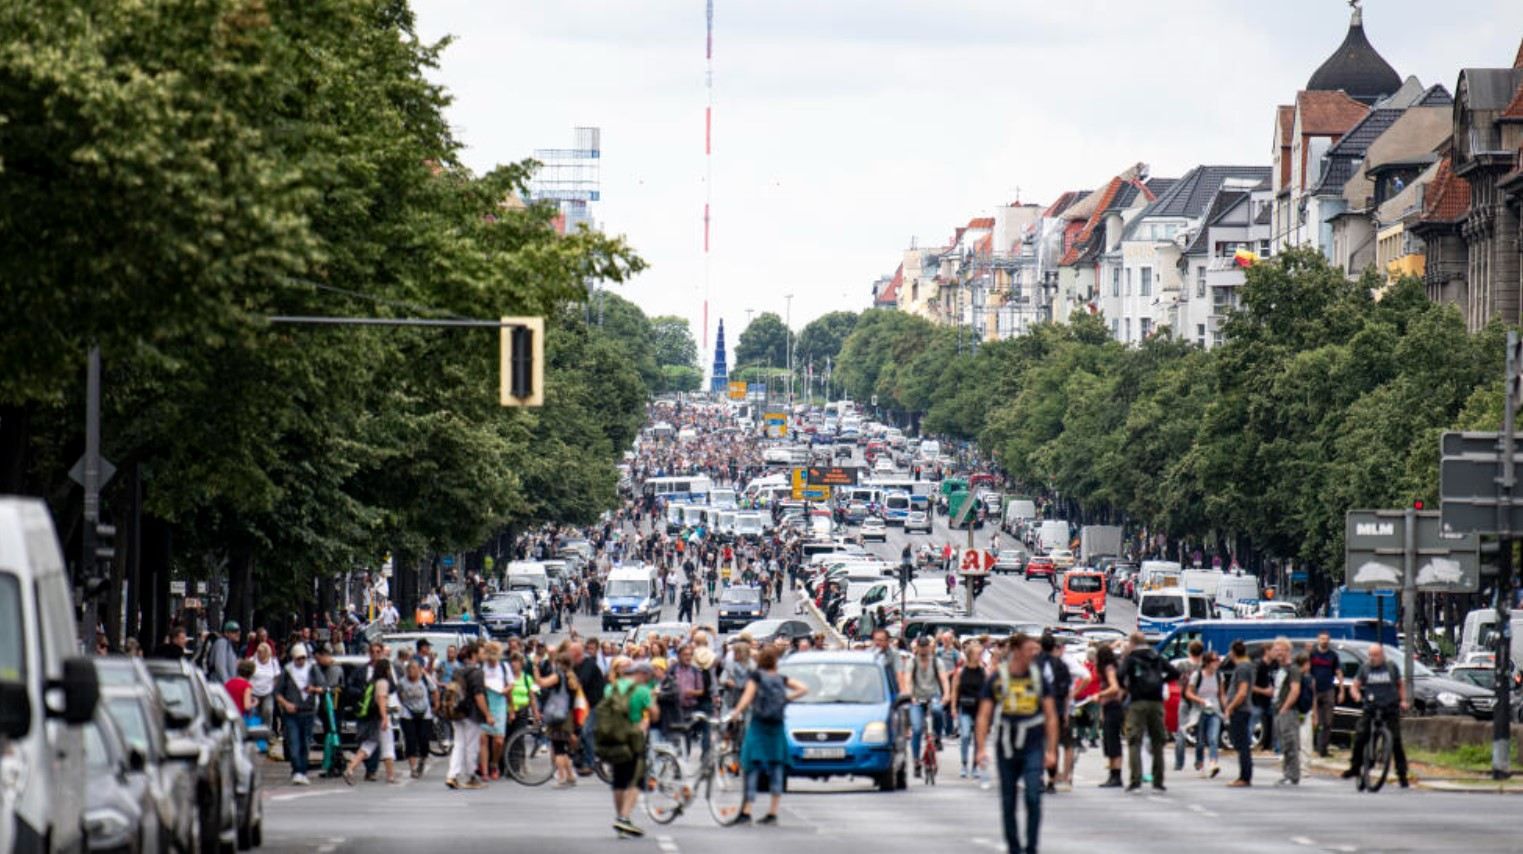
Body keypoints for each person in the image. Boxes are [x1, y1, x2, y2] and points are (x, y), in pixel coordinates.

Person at [975, 633, 1058, 854]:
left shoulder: (1039, 678)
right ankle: (1013, 846)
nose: (1035, 654)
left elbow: (1051, 715)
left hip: (1032, 744)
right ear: (1018, 650)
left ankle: (1031, 847)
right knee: (1008, 798)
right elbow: (984, 715)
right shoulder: (998, 678)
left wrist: (1051, 750)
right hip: (1006, 745)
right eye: (1031, 650)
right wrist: (981, 748)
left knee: (1033, 795)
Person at [728, 645, 808, 825]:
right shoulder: (781, 679)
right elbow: (803, 688)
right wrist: (786, 699)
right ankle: (773, 812)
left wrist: (735, 713)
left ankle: (747, 810)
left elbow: (747, 698)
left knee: (751, 766)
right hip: (776, 726)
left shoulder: (756, 677)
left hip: (758, 725)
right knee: (776, 766)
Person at [599, 659, 658, 838]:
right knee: (636, 779)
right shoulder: (642, 691)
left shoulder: (611, 688)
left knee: (619, 779)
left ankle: (620, 816)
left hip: (613, 736)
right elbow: (654, 714)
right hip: (633, 737)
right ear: (643, 674)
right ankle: (624, 817)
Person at [1340, 643, 1409, 789]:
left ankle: (1402, 774)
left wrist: (1403, 700)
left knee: (1396, 740)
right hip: (1371, 707)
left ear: (1382, 655)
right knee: (1360, 735)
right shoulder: (1365, 668)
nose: (1373, 658)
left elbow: (1400, 685)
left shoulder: (1391, 667)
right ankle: (1355, 766)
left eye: (1376, 655)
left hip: (1390, 707)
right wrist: (1356, 694)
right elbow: (1355, 685)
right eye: (1371, 655)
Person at [1118, 631, 1177, 792]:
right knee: (1157, 741)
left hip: (1137, 701)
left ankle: (1135, 779)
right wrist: (1160, 682)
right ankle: (1158, 780)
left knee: (1134, 740)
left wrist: (1127, 688)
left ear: (1132, 643)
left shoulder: (1131, 658)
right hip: (1156, 701)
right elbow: (1174, 672)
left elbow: (1120, 675)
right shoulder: (1156, 656)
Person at [274, 642, 327, 786]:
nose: (301, 661)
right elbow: (277, 693)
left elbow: (324, 687)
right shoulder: (287, 671)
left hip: (308, 712)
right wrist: (286, 704)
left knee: (305, 743)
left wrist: (314, 689)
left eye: (303, 658)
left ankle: (301, 771)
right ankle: (297, 769)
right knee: (294, 741)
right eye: (298, 658)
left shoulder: (312, 669)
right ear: (293, 658)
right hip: (292, 713)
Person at [446, 641, 493, 790]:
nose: (484, 655)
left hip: (457, 712)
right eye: (482, 652)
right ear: (475, 654)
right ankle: (470, 776)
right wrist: (488, 714)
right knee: (471, 746)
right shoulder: (477, 673)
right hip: (472, 714)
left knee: (459, 744)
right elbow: (479, 696)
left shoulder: (458, 670)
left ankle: (452, 775)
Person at [344, 658, 397, 785]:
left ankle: (350, 768)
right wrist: (385, 718)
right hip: (380, 718)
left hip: (372, 718)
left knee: (369, 744)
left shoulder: (373, 681)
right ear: (386, 670)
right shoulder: (383, 682)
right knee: (388, 746)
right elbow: (381, 700)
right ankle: (391, 776)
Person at [1035, 632, 1074, 794]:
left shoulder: (1034, 664)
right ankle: (1052, 779)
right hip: (1056, 708)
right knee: (1053, 745)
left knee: (1037, 744)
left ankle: (1038, 778)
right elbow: (1066, 692)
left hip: (1036, 709)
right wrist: (1065, 713)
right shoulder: (1061, 665)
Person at [908, 635, 950, 778]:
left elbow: (944, 679)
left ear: (930, 647)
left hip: (933, 697)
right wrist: (911, 697)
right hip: (917, 699)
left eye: (926, 646)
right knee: (917, 729)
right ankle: (916, 761)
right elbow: (908, 681)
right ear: (918, 647)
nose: (924, 649)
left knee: (938, 710)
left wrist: (946, 695)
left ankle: (937, 737)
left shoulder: (936, 662)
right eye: (922, 646)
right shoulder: (912, 662)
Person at [949, 639, 987, 780]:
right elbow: (954, 690)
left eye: (980, 654)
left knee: (978, 738)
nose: (979, 657)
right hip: (965, 706)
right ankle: (964, 764)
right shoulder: (961, 671)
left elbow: (989, 690)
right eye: (977, 654)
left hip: (979, 709)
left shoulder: (983, 671)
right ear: (970, 655)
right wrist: (953, 707)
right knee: (965, 735)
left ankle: (975, 766)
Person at [1183, 651, 1224, 778]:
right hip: (1199, 710)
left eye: (1218, 660)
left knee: (1213, 739)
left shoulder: (1219, 676)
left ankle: (1213, 764)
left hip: (1214, 710)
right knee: (1200, 741)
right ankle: (1199, 763)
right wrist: (1201, 700)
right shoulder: (1197, 675)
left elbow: (1221, 694)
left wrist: (1227, 708)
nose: (1217, 662)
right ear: (1207, 663)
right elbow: (1188, 693)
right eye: (1214, 660)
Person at [1223, 640, 1256, 787]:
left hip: (1240, 710)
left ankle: (1244, 776)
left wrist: (1231, 706)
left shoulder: (1242, 668)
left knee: (1241, 744)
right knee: (1242, 743)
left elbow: (1242, 692)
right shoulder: (1247, 666)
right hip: (1244, 709)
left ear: (1233, 652)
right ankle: (1245, 775)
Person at [396, 658, 436, 779]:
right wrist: (404, 703)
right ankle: (413, 768)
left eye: (414, 668)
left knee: (424, 741)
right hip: (408, 713)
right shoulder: (402, 682)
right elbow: (399, 693)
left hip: (424, 713)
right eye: (409, 669)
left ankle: (422, 760)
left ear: (419, 669)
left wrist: (435, 705)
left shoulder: (425, 679)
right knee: (410, 740)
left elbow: (434, 691)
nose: (411, 671)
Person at [1272, 640, 1303, 786]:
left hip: (1288, 711)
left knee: (1291, 743)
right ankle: (1287, 773)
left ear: (1287, 651)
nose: (1277, 653)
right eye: (1276, 649)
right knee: (1284, 744)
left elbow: (1295, 690)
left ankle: (1293, 775)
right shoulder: (1280, 669)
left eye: (1280, 650)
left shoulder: (1293, 669)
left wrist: (1285, 707)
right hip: (1278, 709)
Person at [1094, 644, 1125, 788]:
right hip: (1110, 707)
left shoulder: (1109, 669)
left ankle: (1116, 775)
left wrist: (1100, 694)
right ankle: (1113, 773)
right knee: (1109, 740)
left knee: (1113, 741)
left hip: (1113, 707)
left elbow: (1114, 687)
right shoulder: (1113, 667)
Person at [479, 642, 511, 781]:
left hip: (499, 703)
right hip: (485, 702)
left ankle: (494, 763)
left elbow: (511, 684)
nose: (492, 662)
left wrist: (505, 690)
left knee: (498, 740)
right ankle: (485, 770)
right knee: (483, 738)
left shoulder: (504, 667)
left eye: (494, 659)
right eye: (489, 659)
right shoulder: (481, 668)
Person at [1307, 632, 1341, 758]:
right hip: (1313, 690)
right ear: (1318, 639)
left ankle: (1323, 748)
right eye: (1322, 638)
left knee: (1327, 721)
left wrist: (1341, 689)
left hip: (1328, 689)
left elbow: (1338, 671)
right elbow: (1306, 670)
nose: (1324, 641)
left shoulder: (1333, 656)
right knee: (1313, 720)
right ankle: (1311, 745)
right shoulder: (1312, 654)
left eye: (1326, 639)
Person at [1172, 640, 1204, 773]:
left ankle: (1179, 763)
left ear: (1189, 651)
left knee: (1181, 731)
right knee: (1200, 733)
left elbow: (1176, 680)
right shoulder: (1203, 667)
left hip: (1184, 699)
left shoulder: (1182, 665)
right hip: (1199, 699)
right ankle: (1198, 761)